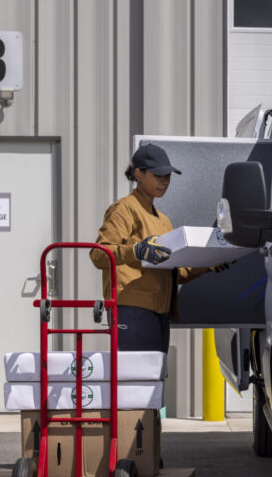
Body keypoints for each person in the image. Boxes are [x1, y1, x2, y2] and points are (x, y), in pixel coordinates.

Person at [90, 143, 228, 352]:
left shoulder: (163, 220)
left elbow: (173, 272)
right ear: (139, 174)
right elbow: (99, 255)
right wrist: (136, 251)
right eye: (158, 175)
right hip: (130, 309)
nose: (165, 181)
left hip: (159, 312)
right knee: (136, 379)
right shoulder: (124, 209)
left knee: (154, 380)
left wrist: (208, 265)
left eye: (168, 176)